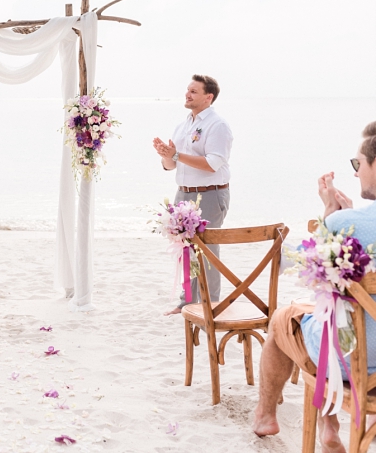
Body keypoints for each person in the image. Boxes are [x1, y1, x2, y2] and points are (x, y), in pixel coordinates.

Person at [253, 121, 376, 452]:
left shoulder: (342, 223)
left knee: (285, 320)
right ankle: (329, 425)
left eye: (358, 164)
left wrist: (329, 214)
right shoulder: (351, 220)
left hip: (357, 363)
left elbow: (309, 270)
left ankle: (266, 414)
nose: (355, 173)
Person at [153, 74, 233, 315]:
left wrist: (176, 155)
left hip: (210, 195)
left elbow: (212, 164)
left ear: (208, 97)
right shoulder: (184, 124)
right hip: (183, 194)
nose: (187, 94)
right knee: (184, 248)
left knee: (207, 251)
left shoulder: (217, 125)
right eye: (187, 90)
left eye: (194, 91)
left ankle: (212, 304)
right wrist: (165, 154)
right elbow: (171, 166)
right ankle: (187, 301)